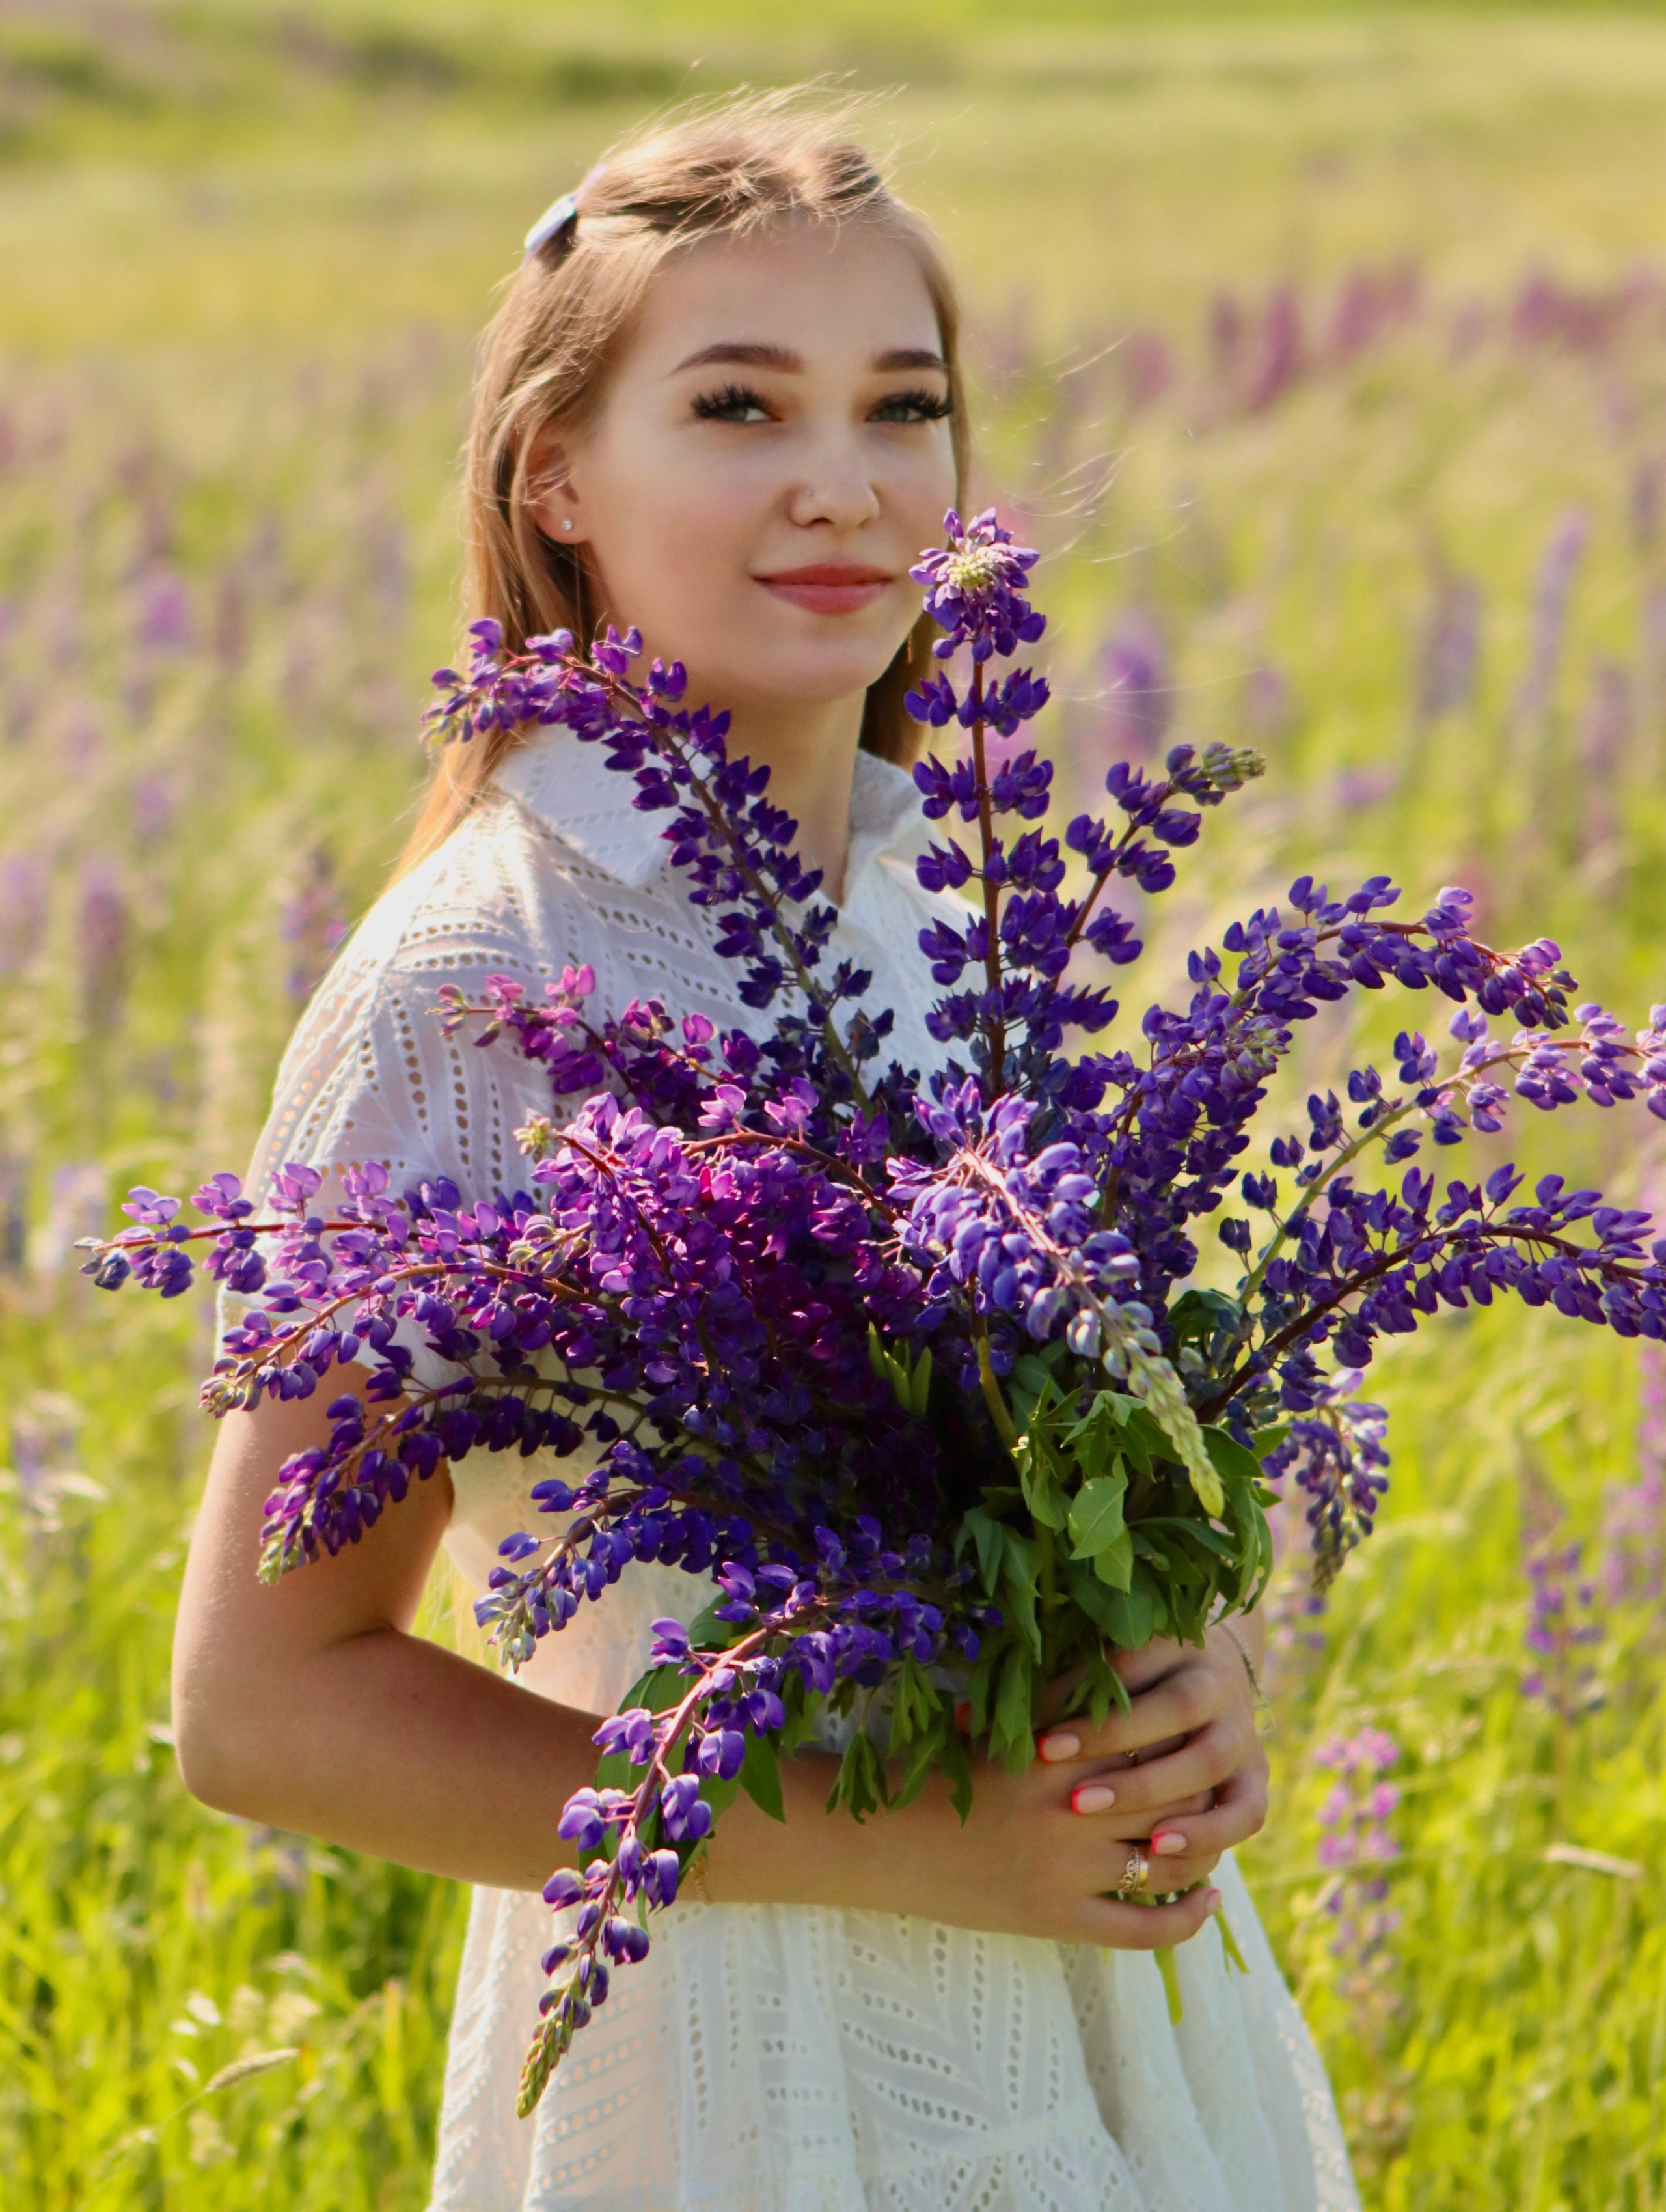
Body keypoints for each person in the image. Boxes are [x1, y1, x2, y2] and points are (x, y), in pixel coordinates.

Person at [170, 89, 1359, 2212]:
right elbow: (266, 1706)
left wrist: (1203, 1676)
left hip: (1136, 2040)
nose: (846, 483)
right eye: (736, 405)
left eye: (906, 409)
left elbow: (1092, 1449)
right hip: (738, 2066)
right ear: (557, 475)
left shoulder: (962, 906)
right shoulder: (480, 978)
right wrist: (914, 1848)